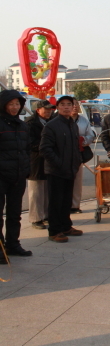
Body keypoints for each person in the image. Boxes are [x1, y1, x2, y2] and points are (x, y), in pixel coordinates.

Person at [40, 95, 83, 243]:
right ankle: (54, 230)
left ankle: (66, 226)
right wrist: (59, 164)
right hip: (56, 171)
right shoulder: (51, 125)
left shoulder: (73, 124)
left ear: (73, 107)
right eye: (63, 104)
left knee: (66, 201)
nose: (66, 107)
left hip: (70, 170)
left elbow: (76, 148)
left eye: (69, 104)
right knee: (55, 202)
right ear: (57, 107)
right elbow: (45, 149)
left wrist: (76, 162)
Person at [0, 90, 32, 261]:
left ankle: (13, 244)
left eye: (17, 104)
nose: (14, 107)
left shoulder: (22, 125)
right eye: (11, 104)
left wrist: (26, 169)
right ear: (4, 105)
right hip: (1, 176)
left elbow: (27, 150)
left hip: (18, 176)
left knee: (14, 213)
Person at [27, 100, 55, 229]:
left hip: (49, 160)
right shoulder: (30, 123)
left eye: (50, 109)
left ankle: (47, 215)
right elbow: (29, 142)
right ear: (38, 110)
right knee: (36, 191)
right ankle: (36, 218)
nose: (49, 111)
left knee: (47, 189)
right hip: (36, 160)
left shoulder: (52, 122)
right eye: (46, 109)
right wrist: (44, 147)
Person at [71, 100, 95, 213]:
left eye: (76, 104)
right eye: (72, 104)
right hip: (63, 156)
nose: (75, 107)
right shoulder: (59, 120)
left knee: (77, 181)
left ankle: (75, 206)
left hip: (78, 154)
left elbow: (90, 135)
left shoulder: (84, 121)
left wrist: (82, 141)